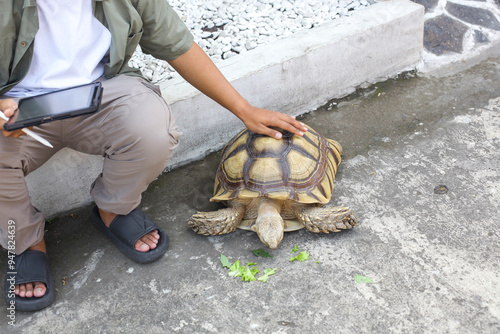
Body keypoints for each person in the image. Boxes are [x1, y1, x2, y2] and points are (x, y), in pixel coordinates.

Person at [0, 0, 307, 311]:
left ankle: (114, 209)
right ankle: (24, 242)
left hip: (100, 93)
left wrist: (244, 109)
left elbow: (176, 44)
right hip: (14, 108)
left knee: (153, 130)